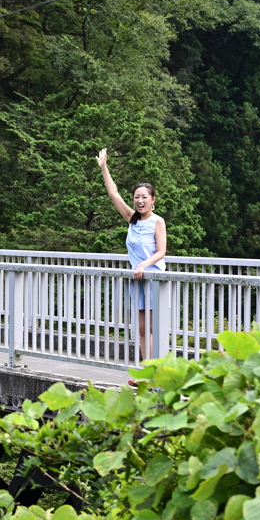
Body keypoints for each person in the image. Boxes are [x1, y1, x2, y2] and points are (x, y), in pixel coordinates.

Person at [95, 148, 166, 361]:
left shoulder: (157, 221)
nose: (140, 200)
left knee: (153, 329)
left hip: (152, 278)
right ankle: (147, 370)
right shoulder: (132, 219)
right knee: (142, 330)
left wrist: (144, 265)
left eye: (145, 197)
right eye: (137, 197)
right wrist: (104, 167)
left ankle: (154, 373)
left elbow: (162, 251)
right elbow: (113, 194)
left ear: (153, 199)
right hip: (137, 279)